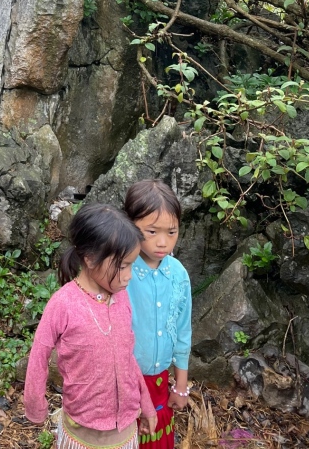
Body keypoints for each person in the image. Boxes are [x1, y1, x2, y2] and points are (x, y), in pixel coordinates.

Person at [24, 204, 157, 449]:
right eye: (123, 265)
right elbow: (39, 356)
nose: (129, 275)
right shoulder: (63, 304)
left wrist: (146, 405)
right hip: (82, 436)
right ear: (90, 258)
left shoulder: (122, 298)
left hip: (126, 433)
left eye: (132, 265)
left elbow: (128, 358)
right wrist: (35, 405)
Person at [124, 180, 192, 449]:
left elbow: (182, 330)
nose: (163, 242)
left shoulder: (178, 275)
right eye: (151, 231)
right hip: (125, 383)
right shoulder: (120, 274)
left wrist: (181, 385)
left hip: (160, 383)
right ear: (130, 226)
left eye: (172, 232)